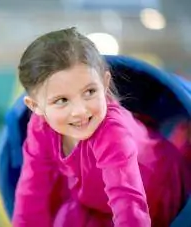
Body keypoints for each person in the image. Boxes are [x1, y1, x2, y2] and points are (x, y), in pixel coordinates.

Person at [12, 27, 191, 227]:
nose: (80, 111)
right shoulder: (40, 128)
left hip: (155, 193)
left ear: (104, 84)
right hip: (93, 199)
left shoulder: (112, 132)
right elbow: (32, 190)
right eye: (62, 100)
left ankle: (183, 139)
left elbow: (129, 204)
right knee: (63, 218)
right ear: (35, 106)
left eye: (89, 91)